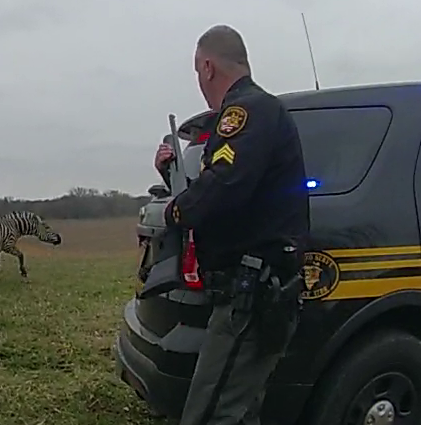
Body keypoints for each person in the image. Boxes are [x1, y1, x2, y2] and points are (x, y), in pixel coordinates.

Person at [154, 25, 310, 425]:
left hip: (251, 300)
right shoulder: (251, 115)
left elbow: (224, 186)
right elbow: (228, 183)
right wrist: (173, 171)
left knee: (210, 415)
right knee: (240, 413)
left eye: (196, 71)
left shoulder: (247, 110)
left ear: (207, 67)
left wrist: (173, 211)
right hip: (249, 294)